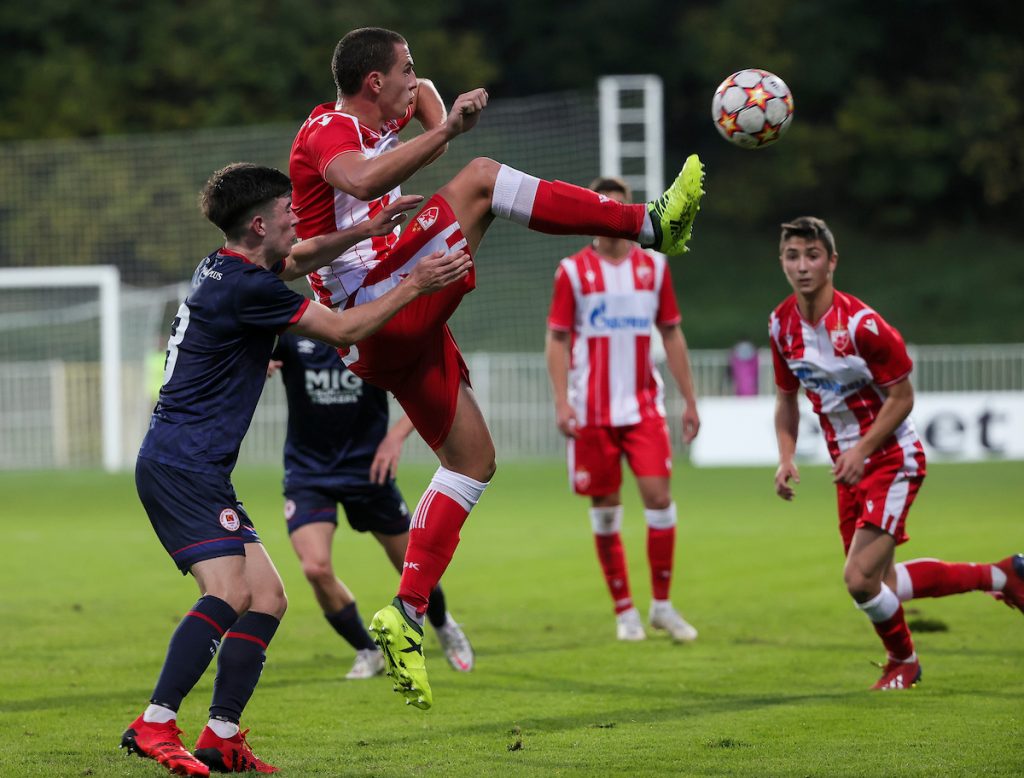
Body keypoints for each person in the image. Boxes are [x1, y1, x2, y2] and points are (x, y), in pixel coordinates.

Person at [288, 26, 705, 710]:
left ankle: (408, 615)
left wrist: (435, 110)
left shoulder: (388, 104)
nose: (413, 79)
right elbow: (359, 178)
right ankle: (649, 225)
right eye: (404, 69)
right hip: (374, 302)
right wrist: (447, 131)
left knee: (473, 461)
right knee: (481, 180)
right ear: (372, 83)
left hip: (389, 333)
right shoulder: (329, 131)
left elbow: (422, 95)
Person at [120, 162, 470, 777]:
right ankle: (154, 722)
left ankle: (221, 735)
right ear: (259, 224)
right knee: (227, 592)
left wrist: (365, 230)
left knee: (270, 598)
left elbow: (303, 257)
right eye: (287, 213)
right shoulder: (249, 288)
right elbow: (343, 327)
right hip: (183, 464)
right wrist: (415, 282)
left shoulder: (228, 265)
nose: (298, 220)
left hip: (193, 463)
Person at [769, 215, 1024, 691]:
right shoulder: (781, 326)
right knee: (879, 584)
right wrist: (785, 457)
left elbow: (903, 397)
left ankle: (904, 661)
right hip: (847, 469)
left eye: (812, 255)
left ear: (832, 262)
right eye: (792, 256)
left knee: (859, 579)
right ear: (782, 261)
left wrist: (863, 450)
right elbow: (785, 400)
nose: (802, 266)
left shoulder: (862, 325)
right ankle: (1003, 575)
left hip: (890, 458)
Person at [544, 176, 701, 644]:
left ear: (630, 212)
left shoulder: (653, 269)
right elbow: (557, 338)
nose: (611, 217)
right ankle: (624, 610)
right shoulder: (572, 272)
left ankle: (663, 607)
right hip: (592, 413)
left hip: (643, 408)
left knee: (659, 501)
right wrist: (561, 402)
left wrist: (690, 398)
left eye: (618, 209)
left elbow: (671, 332)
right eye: (602, 209)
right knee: (606, 512)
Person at [268, 333, 475, 678]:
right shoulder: (294, 332)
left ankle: (443, 624)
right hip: (309, 473)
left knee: (416, 565)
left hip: (369, 472)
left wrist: (395, 436)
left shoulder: (372, 330)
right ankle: (368, 650)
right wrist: (258, 359)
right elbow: (248, 344)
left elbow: (426, 382)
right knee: (315, 569)